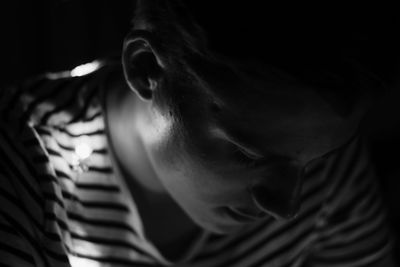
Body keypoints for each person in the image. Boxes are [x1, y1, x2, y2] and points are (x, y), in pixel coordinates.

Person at [0, 1, 396, 266]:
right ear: (146, 69)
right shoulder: (23, 169)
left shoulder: (314, 148)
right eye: (249, 154)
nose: (287, 206)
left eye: (317, 160)